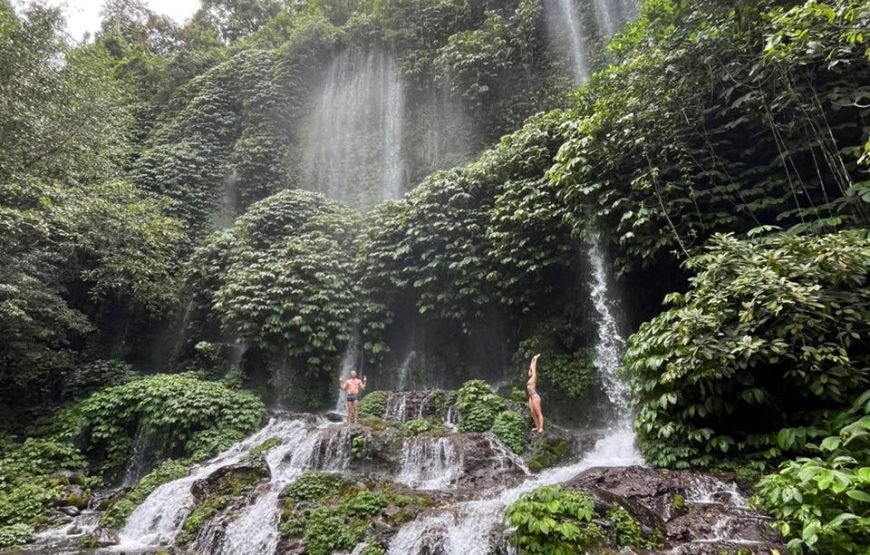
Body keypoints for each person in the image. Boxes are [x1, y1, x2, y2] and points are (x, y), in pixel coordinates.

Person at [526, 353, 544, 432]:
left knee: (538, 412)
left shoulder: (534, 377)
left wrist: (535, 359)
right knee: (532, 412)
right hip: (530, 397)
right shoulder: (529, 378)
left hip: (535, 396)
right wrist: (532, 359)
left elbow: (533, 368)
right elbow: (531, 367)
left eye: (530, 371)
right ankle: (537, 426)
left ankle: (541, 428)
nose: (529, 372)